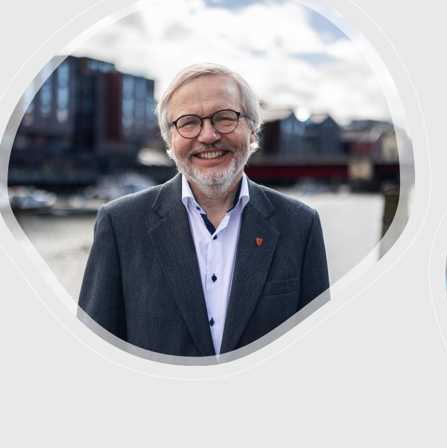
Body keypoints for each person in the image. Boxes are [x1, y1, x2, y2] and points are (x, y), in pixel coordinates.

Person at [78, 63, 330, 360]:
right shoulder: (120, 225)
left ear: (251, 130)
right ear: (170, 139)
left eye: (225, 118)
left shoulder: (301, 226)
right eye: (188, 122)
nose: (208, 136)